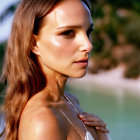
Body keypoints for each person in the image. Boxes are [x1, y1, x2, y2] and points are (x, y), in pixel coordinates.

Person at [0, 0, 111, 139]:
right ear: (34, 44)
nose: (88, 45)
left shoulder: (70, 101)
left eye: (88, 32)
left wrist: (101, 136)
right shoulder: (42, 122)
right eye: (68, 33)